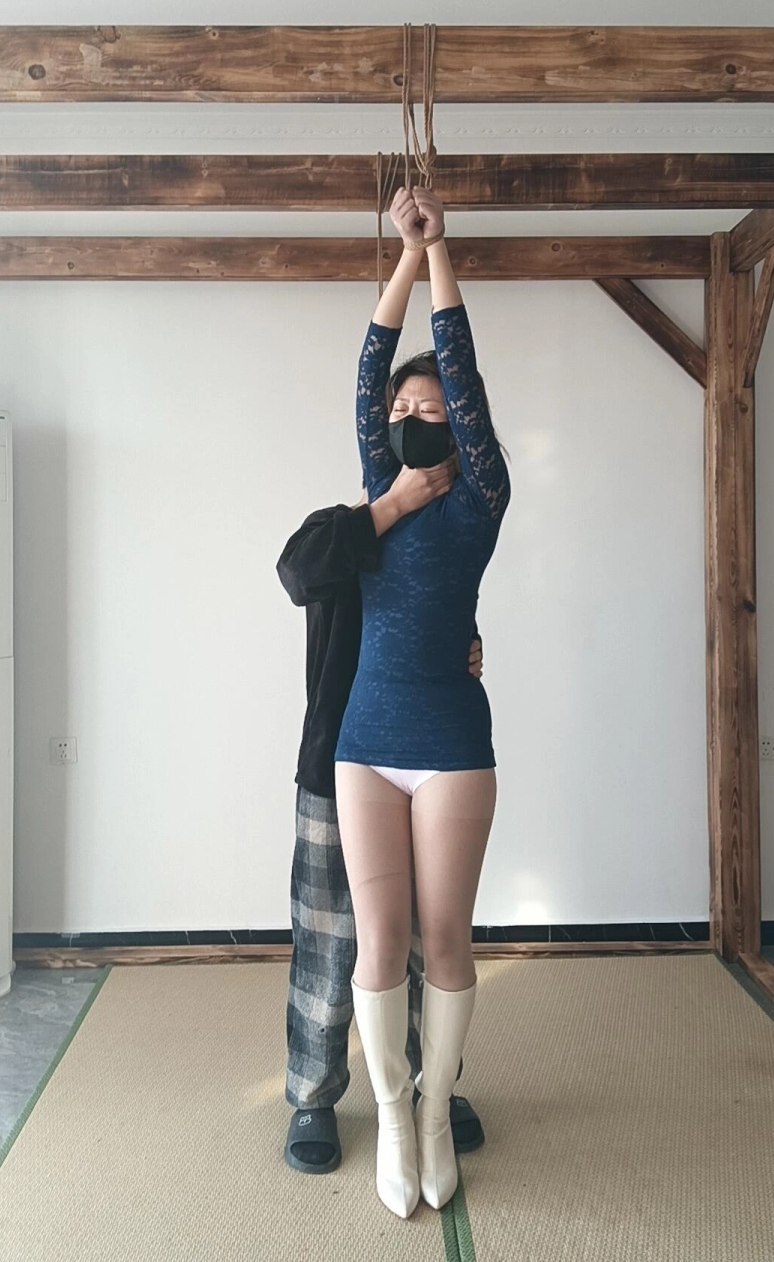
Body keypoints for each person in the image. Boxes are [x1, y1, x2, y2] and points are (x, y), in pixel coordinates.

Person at [334, 185, 511, 1218]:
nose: (404, 414)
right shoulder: (377, 487)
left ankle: (438, 1113)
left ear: (458, 423)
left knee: (445, 940)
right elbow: (369, 369)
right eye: (400, 410)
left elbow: (462, 368)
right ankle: (395, 1121)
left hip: (450, 743)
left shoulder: (480, 499)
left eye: (425, 406)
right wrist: (400, 255)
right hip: (365, 740)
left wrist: (439, 249)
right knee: (378, 941)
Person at [278, 472, 487, 1175]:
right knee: (330, 935)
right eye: (402, 419)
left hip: (425, 758)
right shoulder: (342, 527)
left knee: (430, 934)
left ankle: (434, 1083)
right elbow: (297, 573)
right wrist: (392, 505)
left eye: (430, 419)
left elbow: (440, 622)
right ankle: (314, 1096)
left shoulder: (445, 540)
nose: (415, 433)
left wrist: (468, 643)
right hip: (334, 763)